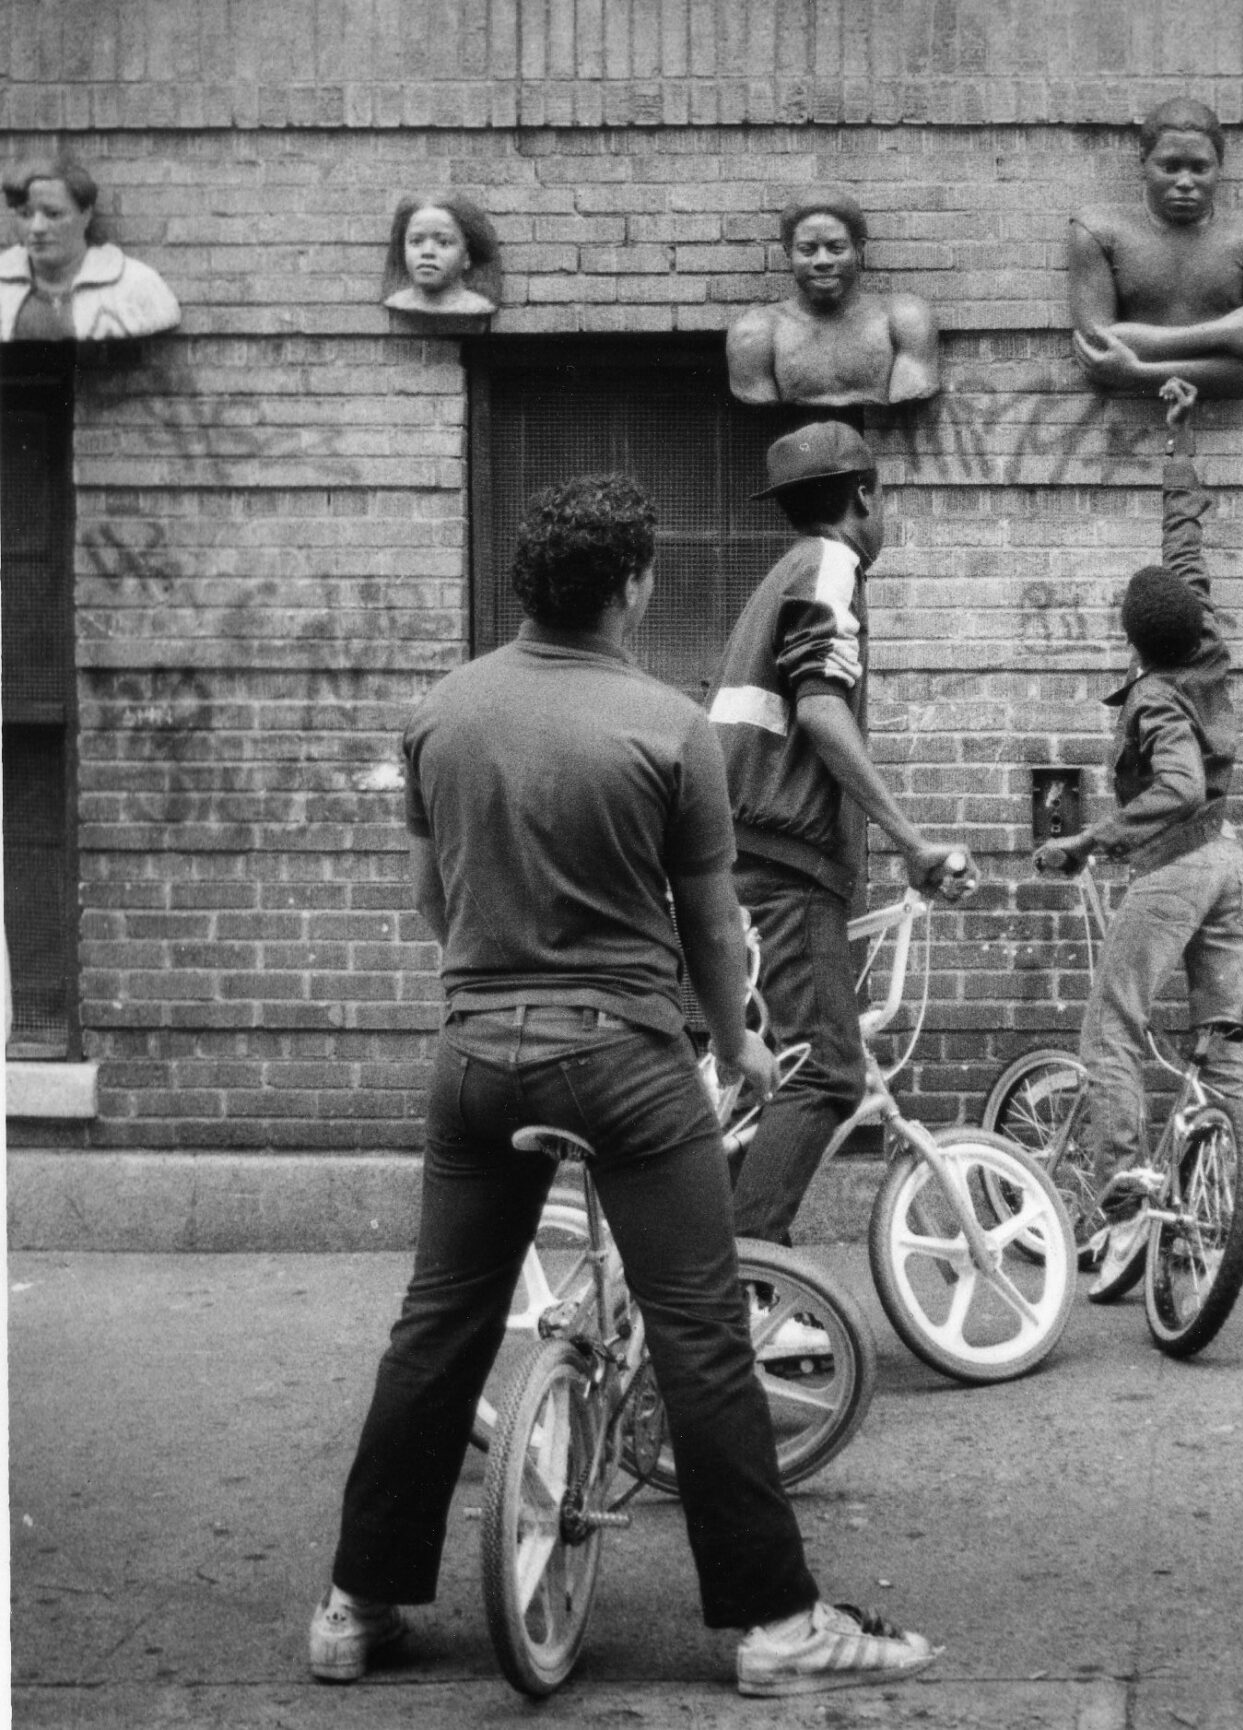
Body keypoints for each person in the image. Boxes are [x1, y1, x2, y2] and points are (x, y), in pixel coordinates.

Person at [314, 474, 937, 1697]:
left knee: (436, 1328)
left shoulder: (442, 712)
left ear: (525, 586)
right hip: (627, 1060)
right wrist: (741, 1046)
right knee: (702, 1330)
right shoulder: (670, 728)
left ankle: (354, 1604)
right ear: (634, 586)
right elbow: (714, 935)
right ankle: (775, 1624)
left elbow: (432, 905)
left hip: (476, 1059)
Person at [710, 421, 973, 1245]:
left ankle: (720, 1264)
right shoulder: (831, 563)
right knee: (826, 1071)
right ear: (865, 496)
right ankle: (744, 1278)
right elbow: (820, 705)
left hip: (745, 854)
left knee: (769, 1075)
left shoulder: (784, 571)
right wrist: (910, 840)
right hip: (784, 861)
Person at [1032, 374, 1243, 1264]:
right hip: (1230, 865)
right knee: (1220, 1039)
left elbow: (1181, 786)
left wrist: (1093, 838)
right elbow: (1184, 545)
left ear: (1130, 636)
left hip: (1173, 869)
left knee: (1110, 1029)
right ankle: (1227, 1204)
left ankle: (1122, 1196)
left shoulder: (1157, 698)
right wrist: (1178, 444)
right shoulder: (1202, 644)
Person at [1069, 98, 1243, 396]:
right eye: (1170, 167)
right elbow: (1098, 344)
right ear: (1144, 162)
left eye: (1199, 168)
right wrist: (1224, 333)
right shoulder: (1098, 231)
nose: (1185, 181)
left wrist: (1137, 373)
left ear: (1219, 168)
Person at [727, 191, 942, 407]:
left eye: (836, 248)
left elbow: (911, 400)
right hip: (799, 442)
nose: (823, 261)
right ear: (788, 253)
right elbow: (762, 416)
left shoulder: (904, 320)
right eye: (807, 250)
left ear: (858, 250)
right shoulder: (755, 333)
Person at [1, 159, 180, 342]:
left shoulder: (135, 285)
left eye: (53, 214)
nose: (37, 228)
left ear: (86, 215)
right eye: (25, 214)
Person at [381, 193, 501, 322]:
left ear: (467, 255)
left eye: (443, 242)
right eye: (416, 241)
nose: (427, 252)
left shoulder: (478, 305)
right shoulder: (397, 301)